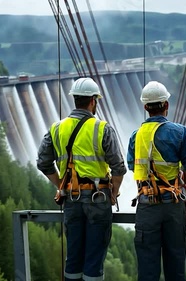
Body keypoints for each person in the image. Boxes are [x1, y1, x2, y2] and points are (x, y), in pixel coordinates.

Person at [37, 77, 126, 281]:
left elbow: (43, 162)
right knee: (94, 259)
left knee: (73, 258)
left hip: (71, 200)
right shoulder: (102, 128)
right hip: (98, 199)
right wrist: (114, 192)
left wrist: (61, 185)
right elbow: (118, 167)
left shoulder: (57, 128)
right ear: (94, 100)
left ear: (74, 99)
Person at [127, 81, 186, 281]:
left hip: (146, 204)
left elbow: (132, 166)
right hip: (173, 204)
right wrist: (184, 187)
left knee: (147, 267)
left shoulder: (136, 136)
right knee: (175, 264)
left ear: (145, 107)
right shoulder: (180, 132)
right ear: (166, 105)